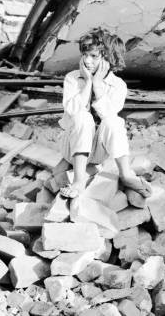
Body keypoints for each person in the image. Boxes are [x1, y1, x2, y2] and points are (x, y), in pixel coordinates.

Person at [55, 27, 151, 199]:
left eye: (94, 56)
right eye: (85, 54)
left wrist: (98, 84)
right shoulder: (72, 78)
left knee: (114, 121)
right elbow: (73, 111)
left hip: (100, 150)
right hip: (72, 145)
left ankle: (126, 174)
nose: (87, 60)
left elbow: (108, 117)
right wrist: (88, 83)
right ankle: (78, 180)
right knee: (82, 116)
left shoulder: (118, 85)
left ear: (109, 59)